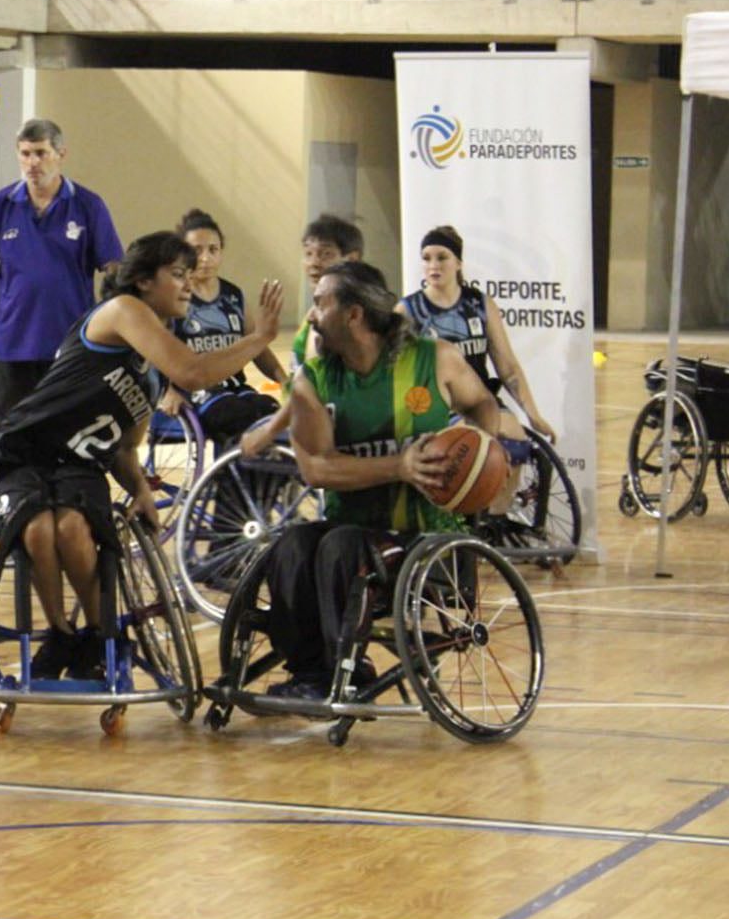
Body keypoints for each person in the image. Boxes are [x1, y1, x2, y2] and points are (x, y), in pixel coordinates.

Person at [0, 232, 282, 680]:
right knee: (40, 530)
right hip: (25, 449)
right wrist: (259, 338)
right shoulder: (124, 311)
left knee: (71, 529)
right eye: (178, 275)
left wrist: (141, 490)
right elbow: (194, 371)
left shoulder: (150, 374)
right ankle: (61, 632)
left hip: (80, 465)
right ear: (143, 281)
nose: (188, 285)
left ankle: (101, 634)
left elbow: (125, 447)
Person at [264, 261, 501, 701]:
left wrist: (478, 458)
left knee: (339, 548)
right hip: (353, 527)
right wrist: (399, 466)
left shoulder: (434, 359)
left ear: (353, 315)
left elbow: (484, 404)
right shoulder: (312, 379)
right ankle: (311, 673)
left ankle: (348, 671)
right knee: (291, 545)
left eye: (320, 304)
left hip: (425, 536)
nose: (310, 315)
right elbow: (315, 468)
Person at [0, 118, 123, 417]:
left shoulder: (88, 206)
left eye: (41, 153)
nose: (32, 162)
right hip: (13, 347)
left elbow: (114, 270)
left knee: (67, 431)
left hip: (72, 348)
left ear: (61, 154)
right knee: (12, 438)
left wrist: (114, 332)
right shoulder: (0, 205)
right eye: (25, 153)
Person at [401, 224, 555, 441]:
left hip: (480, 401)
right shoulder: (408, 310)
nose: (433, 265)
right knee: (471, 443)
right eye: (426, 258)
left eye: (442, 257)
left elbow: (508, 368)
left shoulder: (480, 304)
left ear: (458, 263)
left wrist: (533, 415)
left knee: (516, 439)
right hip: (435, 403)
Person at [237, 213, 364, 457]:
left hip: (326, 426)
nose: (314, 262)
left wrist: (271, 430)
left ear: (352, 259)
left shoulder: (340, 316)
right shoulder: (319, 310)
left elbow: (313, 389)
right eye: (308, 253)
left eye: (325, 254)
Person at [159, 209, 289, 444]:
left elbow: (256, 345)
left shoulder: (233, 295)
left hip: (235, 386)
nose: (206, 258)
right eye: (196, 250)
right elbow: (153, 351)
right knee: (235, 416)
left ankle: (264, 480)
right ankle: (227, 479)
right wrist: (165, 392)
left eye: (213, 250)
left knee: (271, 411)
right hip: (196, 391)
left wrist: (283, 378)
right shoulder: (175, 297)